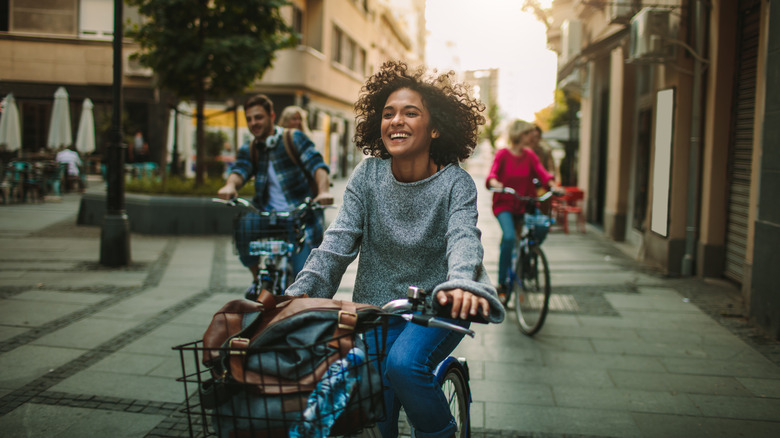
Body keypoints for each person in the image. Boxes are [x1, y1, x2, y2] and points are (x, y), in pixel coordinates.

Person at [285, 60, 505, 438]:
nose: (396, 121)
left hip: (439, 307)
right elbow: (336, 243)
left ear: (435, 127)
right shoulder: (367, 175)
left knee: (403, 365)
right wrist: (297, 297)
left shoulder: (456, 184)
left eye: (410, 112)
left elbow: (464, 240)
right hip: (376, 309)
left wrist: (459, 285)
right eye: (388, 114)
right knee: (373, 413)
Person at [217, 94, 334, 298]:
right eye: (250, 118)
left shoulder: (293, 138)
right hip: (267, 215)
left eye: (259, 117)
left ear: (271, 116)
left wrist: (323, 191)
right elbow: (240, 170)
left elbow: (317, 165)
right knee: (243, 229)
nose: (254, 123)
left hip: (299, 216)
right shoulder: (251, 148)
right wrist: (229, 186)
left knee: (303, 280)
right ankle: (256, 280)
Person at [486, 119, 555, 302]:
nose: (531, 136)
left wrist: (553, 185)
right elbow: (492, 174)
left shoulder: (530, 155)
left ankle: (528, 255)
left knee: (542, 226)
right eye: (527, 133)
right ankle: (502, 284)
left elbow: (543, 174)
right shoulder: (503, 154)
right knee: (508, 237)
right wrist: (495, 182)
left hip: (525, 203)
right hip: (505, 204)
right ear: (518, 134)